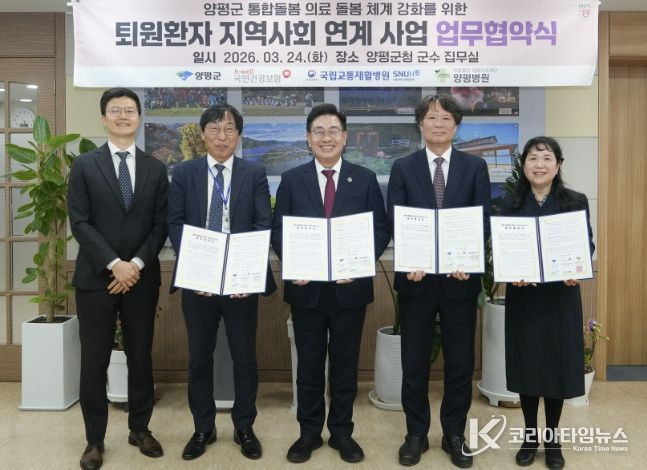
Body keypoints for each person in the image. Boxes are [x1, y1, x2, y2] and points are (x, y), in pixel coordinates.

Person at [271, 103, 390, 464]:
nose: (326, 137)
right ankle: (308, 433)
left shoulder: (364, 178)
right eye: (319, 131)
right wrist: (293, 263)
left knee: (345, 365)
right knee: (308, 365)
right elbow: (279, 230)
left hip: (349, 289)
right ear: (308, 139)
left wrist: (360, 263)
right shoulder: (292, 180)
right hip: (306, 289)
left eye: (333, 131)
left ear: (345, 137)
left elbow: (380, 229)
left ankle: (341, 432)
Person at [167, 103, 276, 462]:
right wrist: (196, 269)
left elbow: (262, 223)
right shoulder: (184, 173)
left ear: (238, 135)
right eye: (214, 129)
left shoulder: (253, 173)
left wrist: (248, 272)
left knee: (244, 357)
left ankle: (244, 427)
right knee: (199, 357)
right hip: (199, 282)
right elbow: (175, 222)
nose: (222, 136)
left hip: (241, 283)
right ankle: (203, 428)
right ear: (202, 134)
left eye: (229, 129)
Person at [387, 94, 491, 468]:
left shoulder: (475, 167)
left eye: (446, 118)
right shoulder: (403, 167)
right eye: (431, 117)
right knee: (414, 362)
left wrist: (468, 259)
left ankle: (454, 434)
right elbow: (396, 219)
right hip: (416, 281)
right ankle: (415, 435)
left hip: (459, 280)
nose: (438, 123)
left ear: (456, 126)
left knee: (460, 363)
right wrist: (409, 258)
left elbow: (482, 219)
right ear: (420, 125)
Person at [68, 87, 169, 470]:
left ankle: (140, 429)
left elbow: (160, 225)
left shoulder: (156, 168)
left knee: (141, 356)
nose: (123, 116)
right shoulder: (84, 165)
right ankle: (94, 440)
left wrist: (135, 265)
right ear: (103, 118)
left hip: (141, 279)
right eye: (115, 110)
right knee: (94, 360)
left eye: (130, 110)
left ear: (139, 118)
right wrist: (114, 264)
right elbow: (80, 222)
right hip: (96, 279)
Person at [501, 137, 594, 470]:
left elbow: (587, 243)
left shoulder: (575, 201)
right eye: (532, 158)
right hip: (524, 299)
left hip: (560, 298)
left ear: (558, 165)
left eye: (546, 158)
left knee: (555, 367)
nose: (539, 165)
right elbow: (502, 248)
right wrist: (511, 270)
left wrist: (577, 267)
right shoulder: (509, 203)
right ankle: (530, 437)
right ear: (523, 164)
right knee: (528, 366)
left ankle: (553, 439)